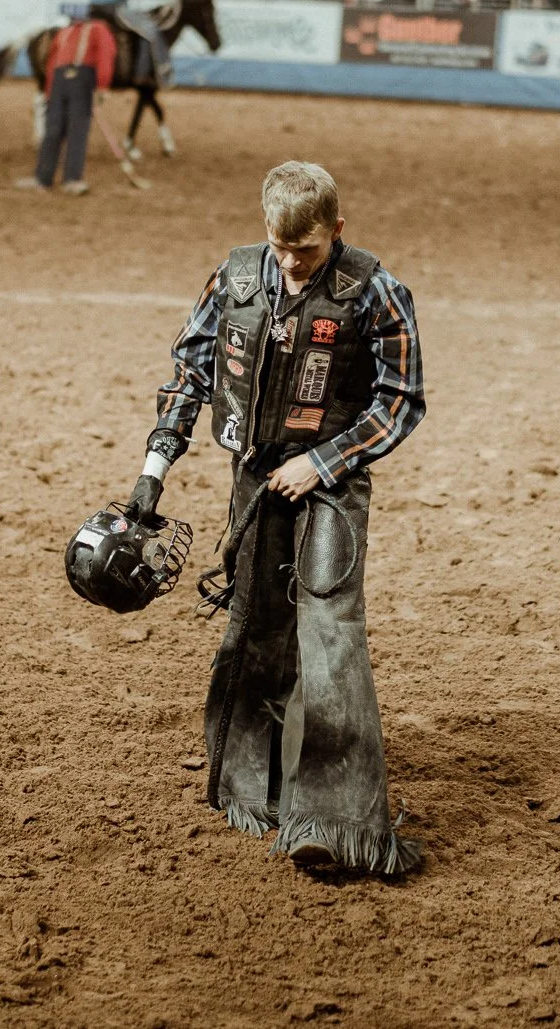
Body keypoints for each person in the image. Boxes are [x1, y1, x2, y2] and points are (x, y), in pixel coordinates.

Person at [124, 162, 427, 874]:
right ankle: (246, 788)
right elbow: (191, 374)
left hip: (330, 485)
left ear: (338, 231)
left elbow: (400, 401)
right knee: (256, 619)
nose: (292, 263)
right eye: (281, 247)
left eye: (309, 251)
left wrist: (321, 463)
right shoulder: (233, 280)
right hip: (254, 479)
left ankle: (336, 819)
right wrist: (152, 472)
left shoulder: (377, 291)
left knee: (328, 628)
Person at [17, 14, 115, 195]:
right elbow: (105, 55)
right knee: (77, 131)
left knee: (53, 130)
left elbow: (52, 62)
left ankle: (43, 177)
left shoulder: (65, 32)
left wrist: (49, 90)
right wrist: (102, 85)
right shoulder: (99, 29)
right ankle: (71, 179)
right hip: (79, 80)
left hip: (59, 81)